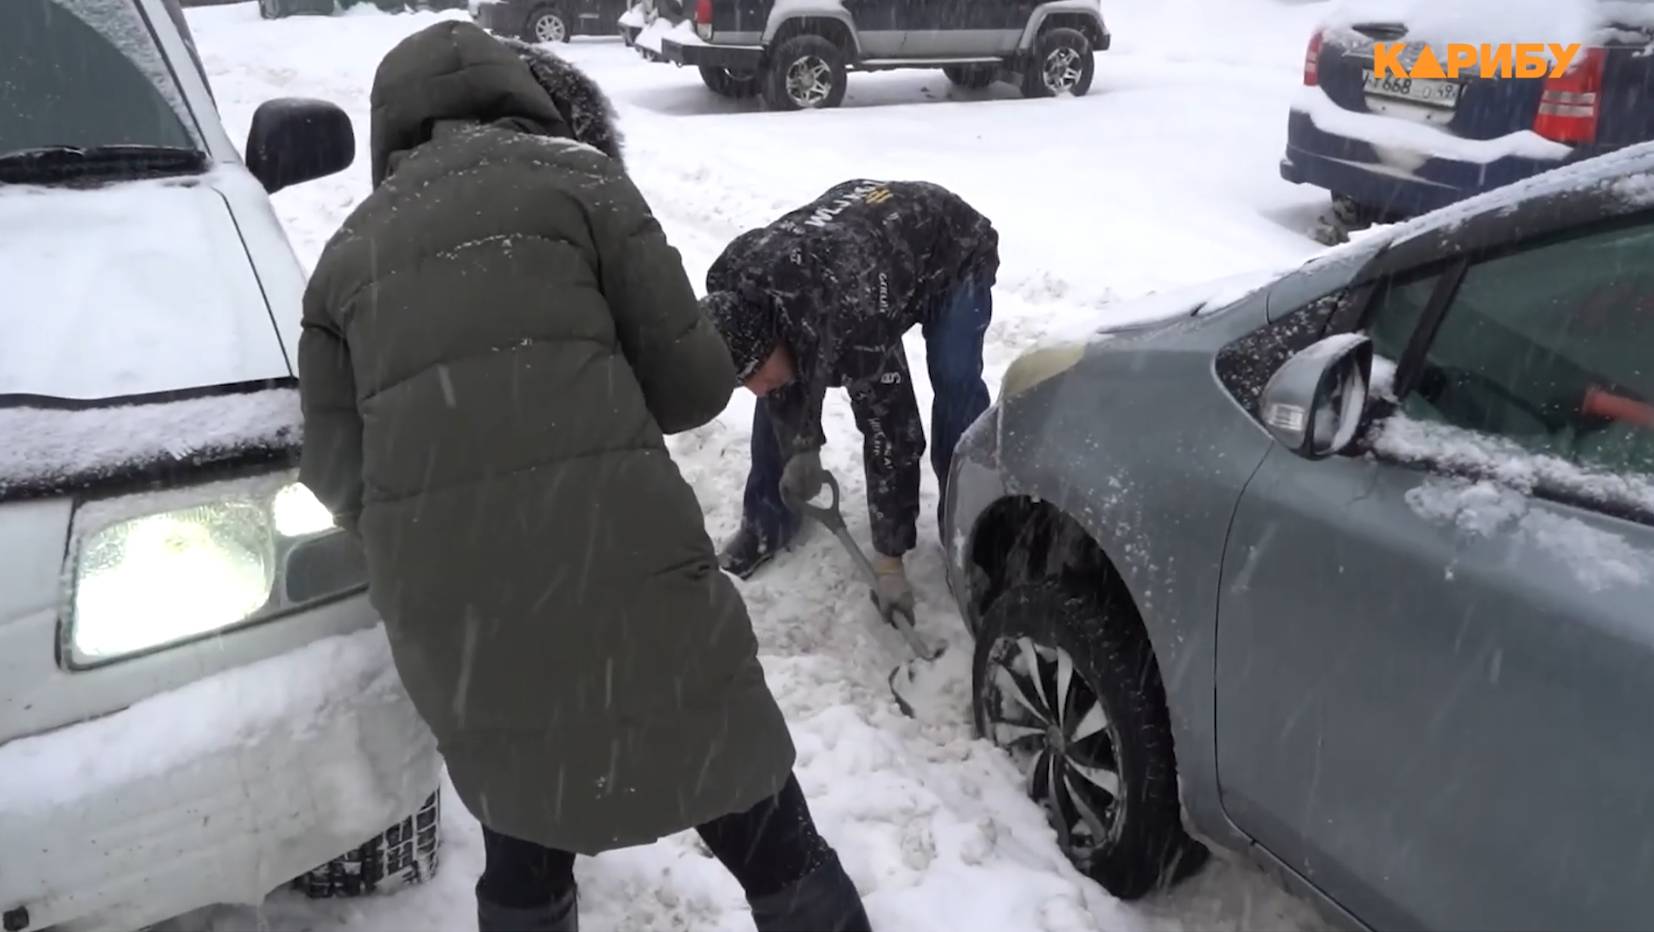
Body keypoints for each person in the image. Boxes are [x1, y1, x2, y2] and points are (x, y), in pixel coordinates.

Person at [296, 22, 871, 932]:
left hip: (469, 619)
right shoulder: (583, 180)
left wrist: (442, 535)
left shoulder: (342, 261)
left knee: (525, 840)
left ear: (390, 130)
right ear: (518, 93)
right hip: (626, 570)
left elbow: (334, 473)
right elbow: (690, 386)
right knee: (763, 824)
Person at [700, 180, 999, 608]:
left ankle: (967, 531)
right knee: (778, 386)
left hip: (949, 247)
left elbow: (891, 431)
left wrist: (889, 562)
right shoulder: (734, 283)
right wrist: (800, 443)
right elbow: (780, 370)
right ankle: (767, 521)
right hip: (857, 246)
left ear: (776, 340)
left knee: (955, 381)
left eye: (753, 372)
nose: (754, 389)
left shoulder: (854, 319)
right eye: (742, 379)